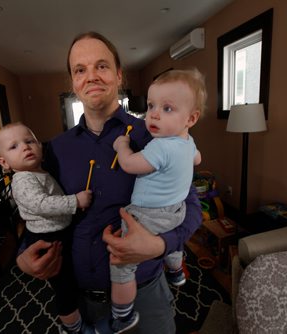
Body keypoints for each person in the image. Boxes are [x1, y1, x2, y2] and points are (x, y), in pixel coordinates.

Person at [15, 31, 202, 334]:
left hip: (144, 294)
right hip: (80, 299)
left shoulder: (154, 133)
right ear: (73, 82)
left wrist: (159, 244)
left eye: (101, 66)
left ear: (118, 75)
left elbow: (191, 204)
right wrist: (24, 253)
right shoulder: (55, 149)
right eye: (80, 70)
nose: (91, 77)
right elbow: (36, 205)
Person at [110, 68, 205, 331]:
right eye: (151, 105)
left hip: (147, 214)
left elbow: (129, 165)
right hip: (177, 210)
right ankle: (175, 271)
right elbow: (198, 159)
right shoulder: (188, 142)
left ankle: (123, 314)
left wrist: (122, 147)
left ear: (191, 118)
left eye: (167, 108)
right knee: (172, 240)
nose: (153, 114)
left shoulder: (160, 145)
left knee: (121, 265)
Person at [0, 122, 93, 334]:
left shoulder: (39, 172)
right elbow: (41, 204)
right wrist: (75, 201)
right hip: (48, 237)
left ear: (40, 146)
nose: (25, 147)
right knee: (63, 286)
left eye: (29, 141)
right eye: (14, 147)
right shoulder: (22, 180)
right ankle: (74, 328)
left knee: (70, 278)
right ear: (4, 162)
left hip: (59, 229)